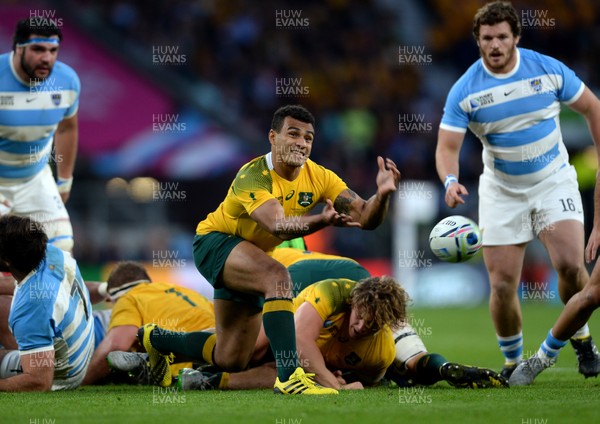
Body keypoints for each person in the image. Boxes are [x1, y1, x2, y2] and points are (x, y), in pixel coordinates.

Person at [138, 104, 400, 395]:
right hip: (215, 242)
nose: (301, 142)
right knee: (277, 277)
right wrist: (321, 221)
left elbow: (365, 217)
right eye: (293, 134)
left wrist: (383, 196)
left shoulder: (320, 177)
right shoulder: (254, 175)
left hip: (250, 257)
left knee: (232, 357)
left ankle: (158, 339)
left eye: (308, 138)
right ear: (272, 137)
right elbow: (276, 224)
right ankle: (289, 377)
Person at [435, 0, 600, 379]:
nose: (494, 44)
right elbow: (446, 147)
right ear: (477, 40)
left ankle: (583, 341)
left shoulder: (546, 69)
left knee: (571, 266)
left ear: (516, 38)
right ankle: (512, 361)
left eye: (502, 37)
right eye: (487, 37)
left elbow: (592, 107)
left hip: (552, 180)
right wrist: (450, 180)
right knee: (503, 283)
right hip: (501, 190)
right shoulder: (465, 90)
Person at [0, 18, 80, 254]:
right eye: (38, 49)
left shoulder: (68, 82)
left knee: (62, 249)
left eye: (53, 50)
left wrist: (65, 181)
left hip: (34, 179)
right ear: (18, 47)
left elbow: (67, 128)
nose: (47, 58)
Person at [0, 215, 93, 391]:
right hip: (79, 352)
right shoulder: (50, 253)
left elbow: (38, 382)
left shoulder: (33, 306)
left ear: (8, 261)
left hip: (63, 376)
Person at [82, 262, 215, 385]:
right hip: (224, 351)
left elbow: (116, 345)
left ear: (113, 298)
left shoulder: (129, 298)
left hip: (194, 365)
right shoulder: (182, 291)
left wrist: (83, 380)